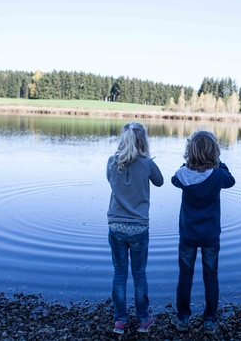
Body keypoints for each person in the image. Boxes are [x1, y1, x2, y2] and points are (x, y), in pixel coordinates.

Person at [170, 130, 235, 335]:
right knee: (211, 277)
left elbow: (174, 179)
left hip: (188, 235)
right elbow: (230, 180)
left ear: (190, 151)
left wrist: (187, 164)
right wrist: (219, 162)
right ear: (214, 152)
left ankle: (182, 319)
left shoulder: (182, 174)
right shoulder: (218, 175)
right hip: (210, 237)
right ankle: (210, 321)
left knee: (185, 276)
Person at [106, 122, 164, 334]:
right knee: (139, 274)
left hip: (116, 225)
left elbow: (110, 182)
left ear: (123, 139)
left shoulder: (112, 162)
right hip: (138, 227)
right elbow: (160, 182)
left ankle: (120, 320)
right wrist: (146, 161)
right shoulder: (147, 164)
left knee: (119, 273)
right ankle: (142, 320)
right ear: (143, 141)